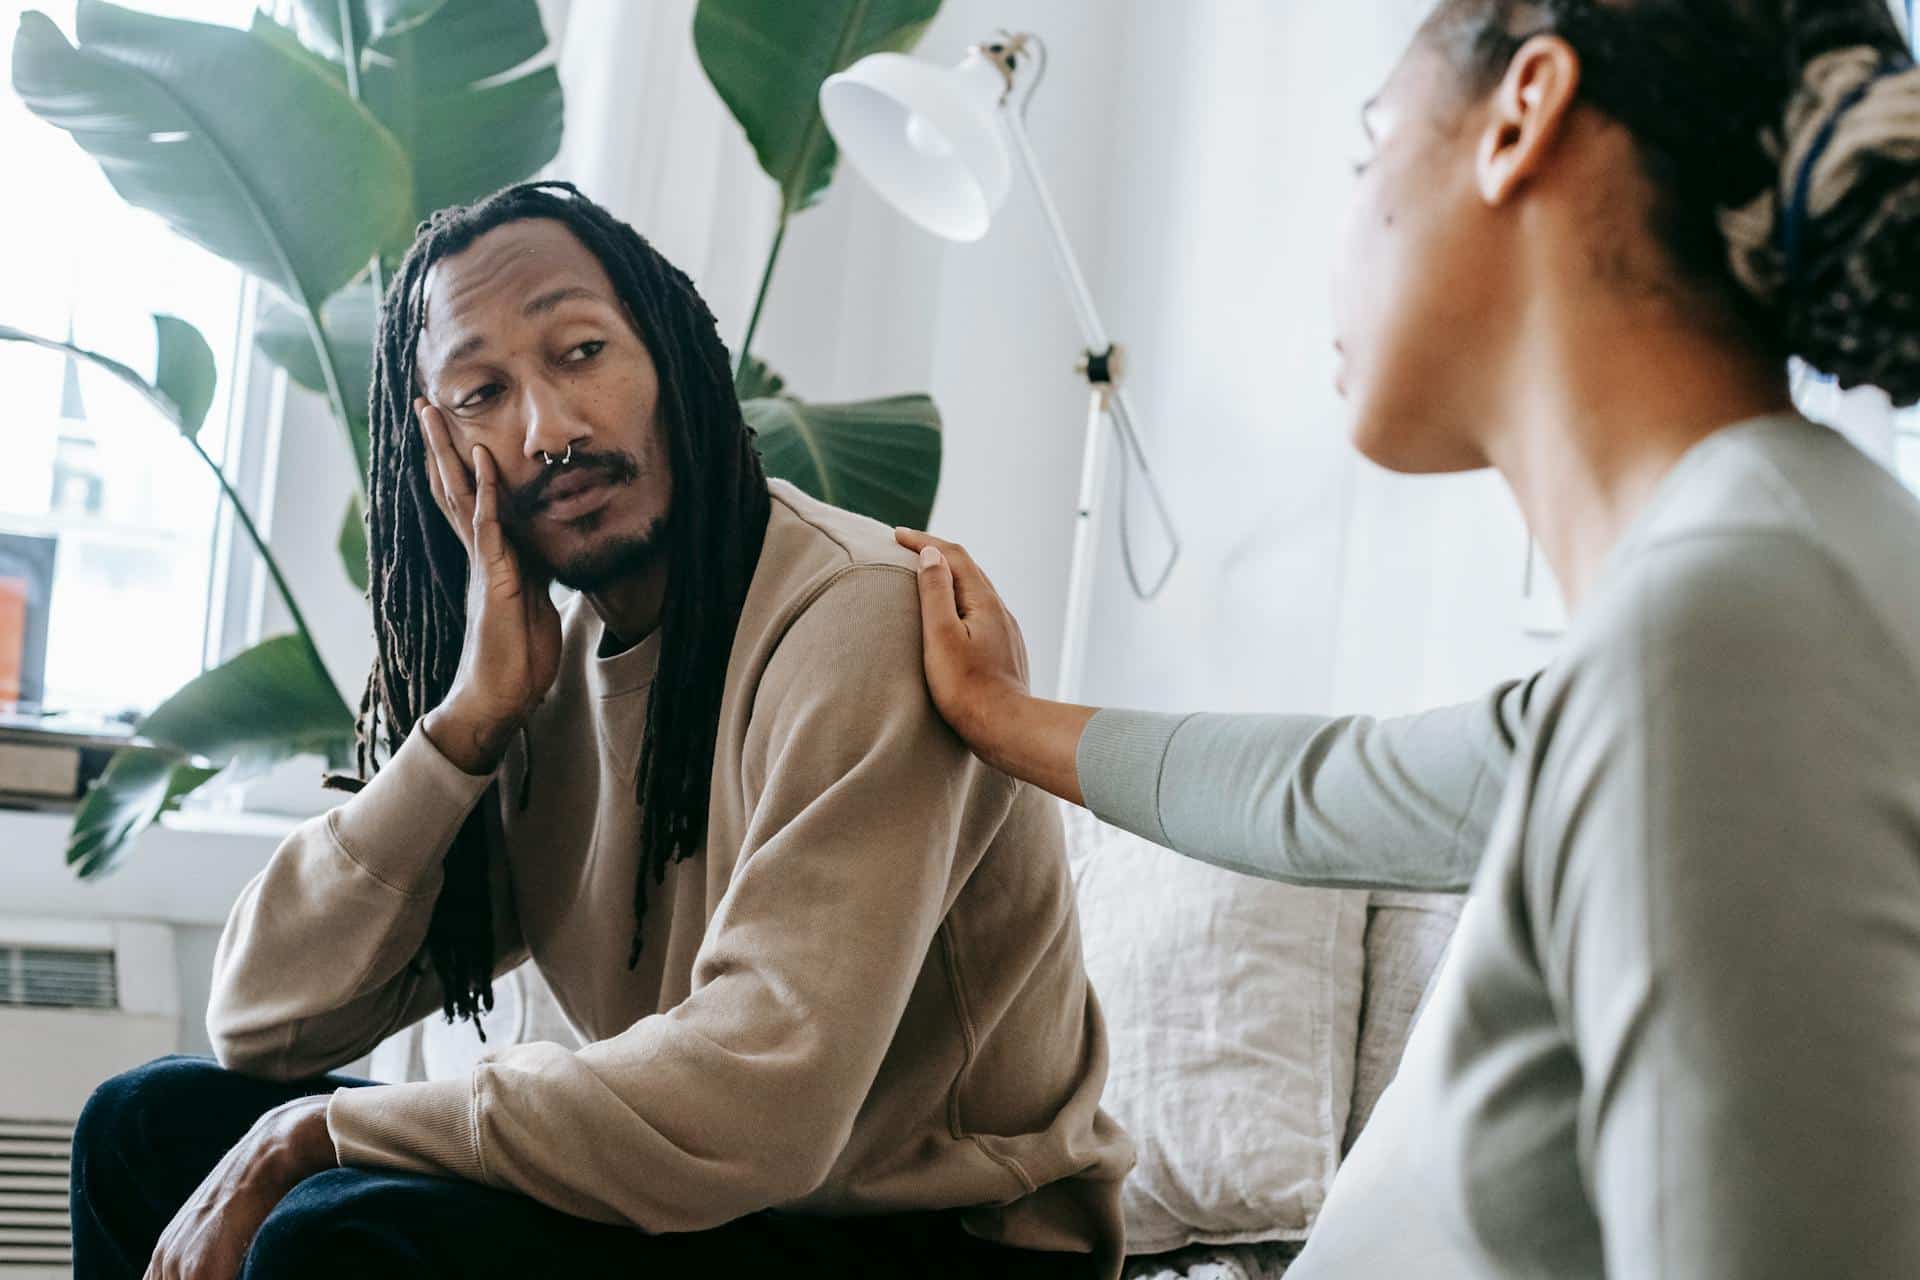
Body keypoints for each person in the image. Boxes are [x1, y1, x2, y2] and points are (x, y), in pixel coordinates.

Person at [897, 1, 1920, 1276]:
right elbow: (1324, 790)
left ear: (1524, 114)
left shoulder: (1728, 631)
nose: (1341, 232)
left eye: (1368, 145)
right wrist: (996, 712)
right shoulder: (1754, 580)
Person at [69, 181, 1130, 1280]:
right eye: (483, 390)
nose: (551, 429)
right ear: (437, 452)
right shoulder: (539, 676)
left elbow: (766, 1100)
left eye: (581, 351)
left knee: (330, 1227)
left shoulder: (855, 616)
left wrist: (319, 1134)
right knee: (141, 1128)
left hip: (941, 1242)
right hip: (722, 1210)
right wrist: (464, 726)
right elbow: (263, 1016)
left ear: (669, 355)